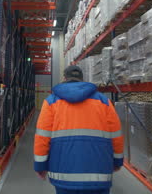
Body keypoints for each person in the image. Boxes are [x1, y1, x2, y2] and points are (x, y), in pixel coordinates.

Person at [34, 65, 124, 194]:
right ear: (82, 80)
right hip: (99, 173)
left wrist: (40, 166)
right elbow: (116, 135)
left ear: (64, 78)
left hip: (63, 173)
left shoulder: (51, 102)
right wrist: (117, 161)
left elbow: (42, 137)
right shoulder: (104, 102)